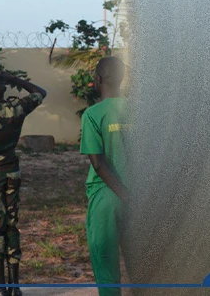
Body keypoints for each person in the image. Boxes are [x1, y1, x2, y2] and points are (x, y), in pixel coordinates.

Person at [0, 71, 47, 296]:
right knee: (12, 226)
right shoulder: (17, 109)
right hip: (12, 174)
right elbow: (40, 93)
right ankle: (14, 288)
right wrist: (15, 80)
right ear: (3, 91)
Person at [80, 56, 130, 296]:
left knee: (107, 265)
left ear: (98, 80)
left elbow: (98, 164)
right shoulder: (139, 110)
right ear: (121, 79)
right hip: (140, 197)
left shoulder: (92, 114)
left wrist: (123, 195)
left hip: (106, 197)